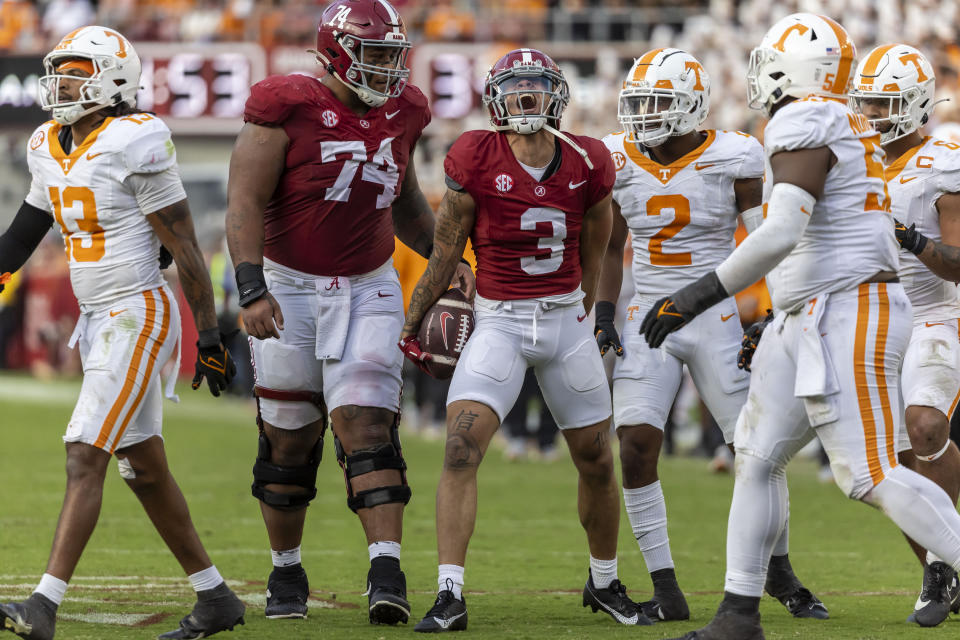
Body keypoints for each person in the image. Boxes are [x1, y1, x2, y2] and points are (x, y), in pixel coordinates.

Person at [639, 14, 960, 640]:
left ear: (796, 68)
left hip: (848, 307)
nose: (759, 72)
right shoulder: (837, 121)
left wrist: (698, 294)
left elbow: (783, 229)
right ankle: (738, 612)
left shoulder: (806, 117)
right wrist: (774, 311)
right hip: (811, 310)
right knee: (756, 458)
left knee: (867, 474)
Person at [224, 0, 473, 625]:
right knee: (288, 436)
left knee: (366, 421)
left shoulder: (406, 110)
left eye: (395, 54)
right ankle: (286, 572)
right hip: (289, 285)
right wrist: (251, 288)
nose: (388, 68)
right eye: (376, 54)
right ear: (335, 50)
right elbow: (244, 201)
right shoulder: (284, 104)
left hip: (369, 284)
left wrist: (454, 257)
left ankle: (385, 568)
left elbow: (404, 198)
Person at [0, 25, 243, 640]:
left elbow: (185, 246)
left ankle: (43, 604)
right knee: (145, 468)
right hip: (99, 319)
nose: (62, 84)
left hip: (137, 312)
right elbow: (21, 236)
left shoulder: (137, 139)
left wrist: (208, 337)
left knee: (85, 452)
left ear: (111, 79)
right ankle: (216, 599)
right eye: (62, 71)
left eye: (77, 72)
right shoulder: (46, 145)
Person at [399, 47, 651, 631]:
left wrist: (586, 308)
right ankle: (448, 593)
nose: (526, 95)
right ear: (496, 98)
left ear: (556, 94)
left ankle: (605, 582)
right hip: (500, 320)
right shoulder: (474, 156)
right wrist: (413, 323)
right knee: (461, 449)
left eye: (537, 84)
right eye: (515, 87)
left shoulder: (588, 160)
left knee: (595, 459)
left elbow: (596, 239)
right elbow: (443, 253)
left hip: (564, 321)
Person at [596, 47, 825, 622]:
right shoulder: (618, 156)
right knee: (635, 446)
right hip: (648, 315)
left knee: (753, 449)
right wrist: (603, 311)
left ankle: (780, 571)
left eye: (658, 103)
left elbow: (766, 238)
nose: (644, 115)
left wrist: (768, 313)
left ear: (692, 105)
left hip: (716, 315)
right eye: (639, 102)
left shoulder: (736, 154)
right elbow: (608, 244)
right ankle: (667, 588)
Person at [852, 44, 960, 626]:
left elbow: (959, 263)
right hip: (868, 315)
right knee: (887, 465)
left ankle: (942, 566)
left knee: (926, 426)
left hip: (932, 310)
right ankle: (939, 569)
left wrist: (908, 238)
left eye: (883, 102)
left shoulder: (945, 158)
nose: (870, 112)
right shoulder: (850, 157)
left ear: (916, 103)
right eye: (865, 100)